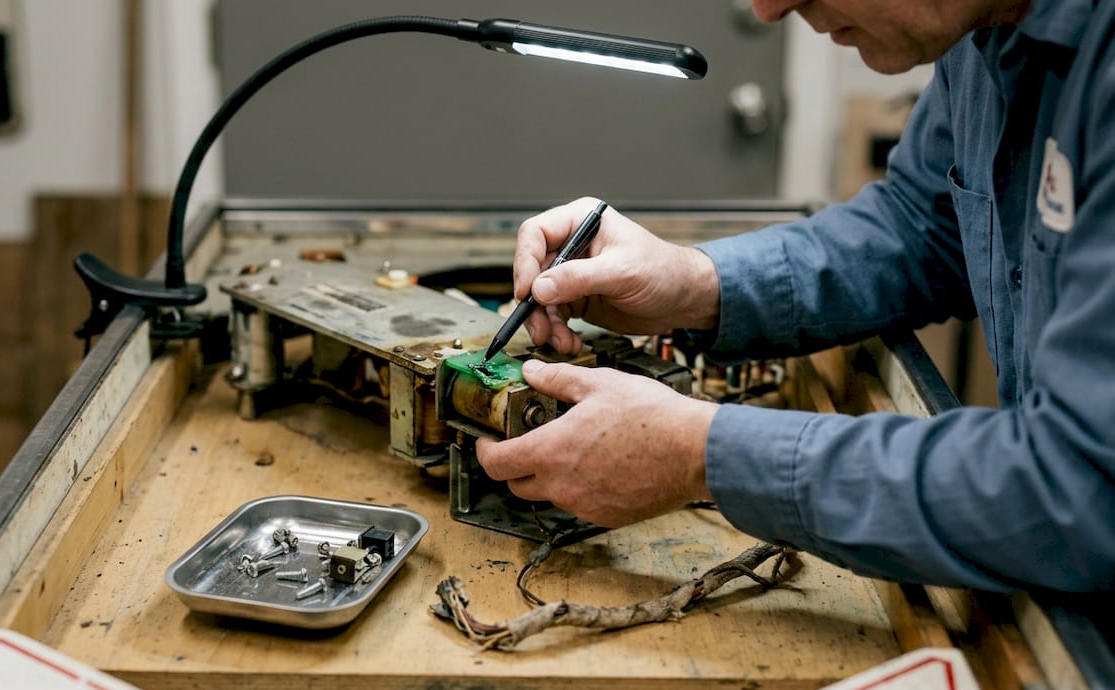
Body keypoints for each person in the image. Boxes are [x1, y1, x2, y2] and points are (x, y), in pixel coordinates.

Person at [475, 0, 1115, 593]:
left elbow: (1081, 485)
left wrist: (703, 454)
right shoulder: (978, 36)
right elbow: (922, 225)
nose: (768, 8)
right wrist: (695, 282)